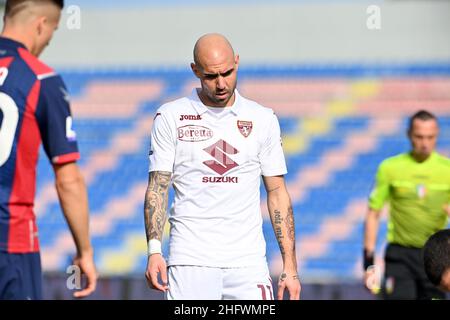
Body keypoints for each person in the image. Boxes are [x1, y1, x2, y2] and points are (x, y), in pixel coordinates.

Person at [144, 33, 301, 300]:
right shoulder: (170, 117)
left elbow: (277, 193)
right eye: (210, 76)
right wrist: (154, 250)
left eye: (227, 73)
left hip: (248, 263)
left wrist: (290, 265)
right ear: (195, 71)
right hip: (190, 260)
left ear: (237, 62)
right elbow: (158, 187)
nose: (220, 84)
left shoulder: (262, 119)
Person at [0, 0, 96, 299]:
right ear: (41, 25)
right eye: (50, 35)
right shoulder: (42, 79)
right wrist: (85, 252)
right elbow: (68, 180)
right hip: (11, 241)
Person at [363, 110, 450, 300]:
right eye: (419, 136)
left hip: (435, 256)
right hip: (400, 255)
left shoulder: (447, 170)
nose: (425, 143)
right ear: (409, 135)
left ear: (437, 136)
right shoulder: (390, 168)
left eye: (430, 137)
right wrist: (368, 265)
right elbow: (373, 214)